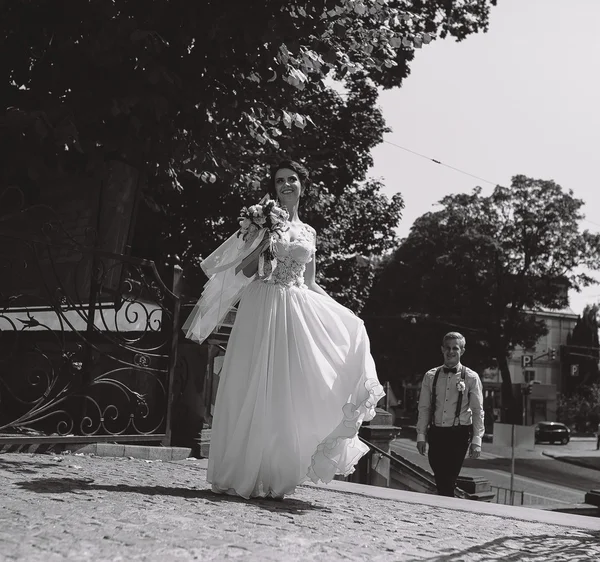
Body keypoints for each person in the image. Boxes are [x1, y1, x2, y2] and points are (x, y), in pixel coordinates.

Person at [184, 160, 384, 500]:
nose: (286, 185)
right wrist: (263, 242)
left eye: (292, 179)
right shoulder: (260, 218)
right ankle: (241, 472)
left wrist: (344, 312)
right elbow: (244, 271)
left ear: (302, 185)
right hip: (261, 304)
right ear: (273, 187)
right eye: (280, 181)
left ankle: (275, 473)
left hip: (293, 309)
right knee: (251, 384)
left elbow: (310, 282)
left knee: (284, 391)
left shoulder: (309, 232)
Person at [415, 332, 484, 497]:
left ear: (462, 351)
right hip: (437, 433)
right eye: (448, 348)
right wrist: (421, 435)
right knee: (440, 477)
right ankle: (447, 507)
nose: (451, 351)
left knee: (449, 477)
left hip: (459, 434)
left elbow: (477, 410)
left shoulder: (471, 377)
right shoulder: (431, 376)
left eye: (455, 348)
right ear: (442, 349)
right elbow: (424, 407)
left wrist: (477, 440)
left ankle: (443, 510)